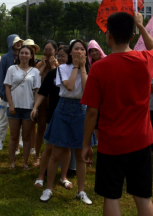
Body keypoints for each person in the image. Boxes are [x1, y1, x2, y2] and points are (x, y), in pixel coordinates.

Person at [81, 11, 153, 216]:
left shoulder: (99, 68)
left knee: (112, 197)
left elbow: (92, 112)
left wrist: (86, 144)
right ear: (132, 36)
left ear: (109, 36)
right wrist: (141, 26)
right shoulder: (145, 60)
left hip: (111, 143)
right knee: (143, 197)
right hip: (141, 140)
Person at [41, 39, 92, 205]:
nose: (79, 51)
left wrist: (82, 67)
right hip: (63, 109)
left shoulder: (88, 69)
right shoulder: (62, 68)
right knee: (56, 153)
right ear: (70, 52)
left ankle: (81, 191)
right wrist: (76, 66)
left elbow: (87, 90)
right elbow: (69, 86)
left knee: (80, 155)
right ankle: (48, 188)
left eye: (82, 49)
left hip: (80, 110)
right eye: (76, 49)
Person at [32, 45, 73, 189]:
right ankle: (40, 176)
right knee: (49, 146)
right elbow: (42, 92)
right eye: (59, 55)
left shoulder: (74, 74)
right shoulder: (53, 73)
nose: (60, 58)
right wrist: (35, 107)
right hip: (54, 114)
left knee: (67, 147)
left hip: (69, 114)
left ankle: (63, 177)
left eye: (63, 56)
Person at [4, 44, 41, 170]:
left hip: (28, 108)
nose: (24, 55)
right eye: (22, 53)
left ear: (31, 56)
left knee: (26, 136)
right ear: (18, 55)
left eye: (26, 53)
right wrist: (11, 105)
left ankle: (25, 162)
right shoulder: (12, 69)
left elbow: (37, 91)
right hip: (14, 107)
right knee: (13, 136)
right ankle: (12, 162)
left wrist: (35, 107)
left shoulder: (35, 72)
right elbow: (7, 87)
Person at [34, 41, 59, 166]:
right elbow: (35, 78)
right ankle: (37, 156)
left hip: (54, 101)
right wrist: (43, 65)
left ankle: (52, 155)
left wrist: (53, 65)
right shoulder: (39, 64)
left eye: (50, 50)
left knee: (54, 130)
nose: (48, 52)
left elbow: (58, 80)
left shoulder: (59, 65)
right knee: (40, 129)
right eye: (46, 49)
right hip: (42, 100)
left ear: (56, 51)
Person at [0, 35, 23, 151]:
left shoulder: (23, 56)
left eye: (20, 41)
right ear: (10, 43)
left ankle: (20, 140)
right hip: (6, 95)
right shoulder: (5, 57)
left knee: (20, 120)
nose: (19, 43)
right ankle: (0, 141)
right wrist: (2, 92)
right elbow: (1, 75)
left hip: (20, 94)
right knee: (3, 120)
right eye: (16, 42)